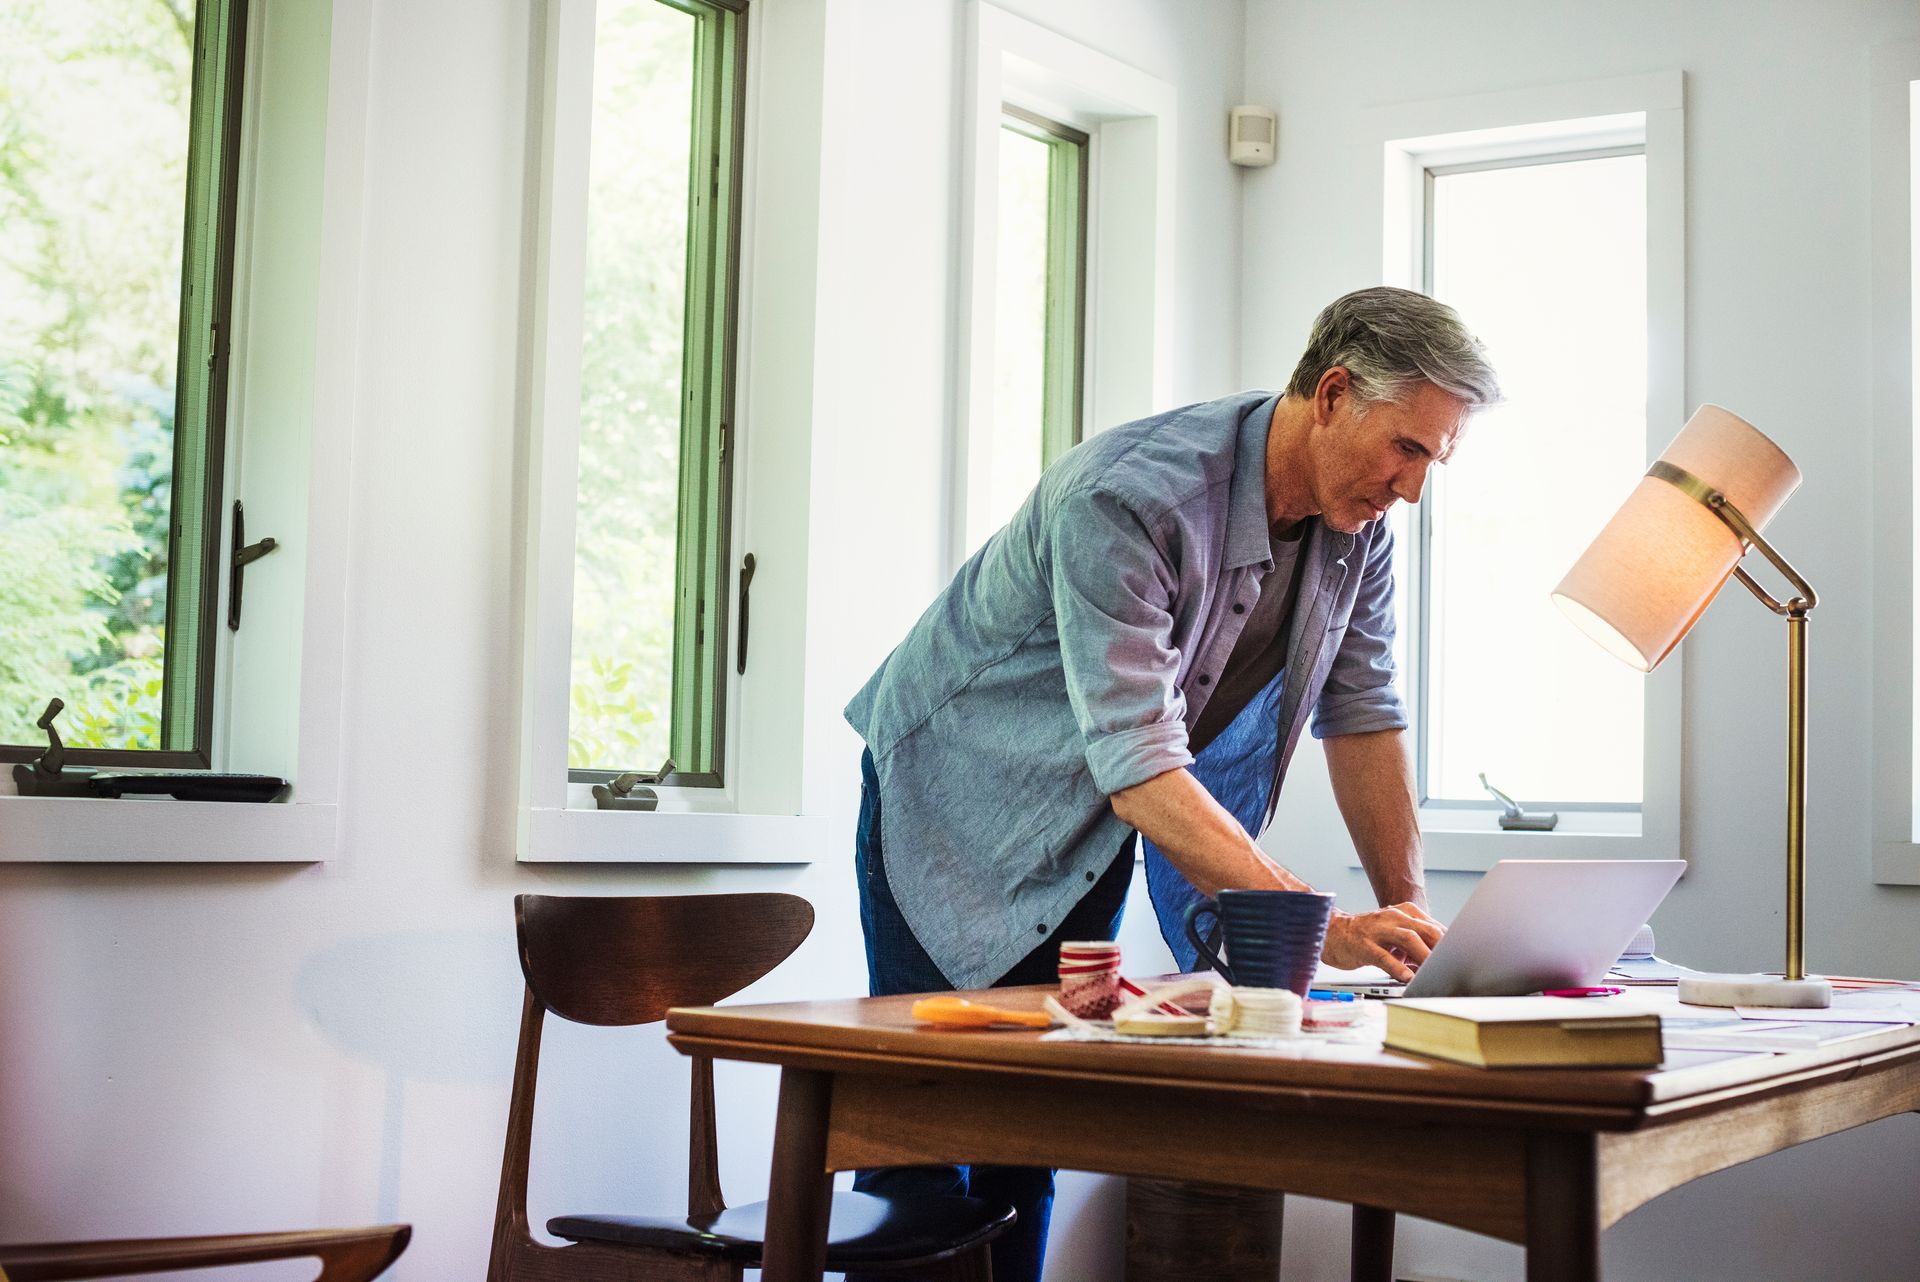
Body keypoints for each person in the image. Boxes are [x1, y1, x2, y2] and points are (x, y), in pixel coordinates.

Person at [842, 286, 1502, 1282]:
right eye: (1406, 449)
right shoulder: (1133, 495)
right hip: (951, 799)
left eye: (1432, 462)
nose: (1411, 487)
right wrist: (1311, 921)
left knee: (1038, 1126)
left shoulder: (1359, 529)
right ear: (1331, 396)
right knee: (927, 1139)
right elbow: (1142, 764)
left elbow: (1363, 717)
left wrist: (1407, 909)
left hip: (1088, 818)